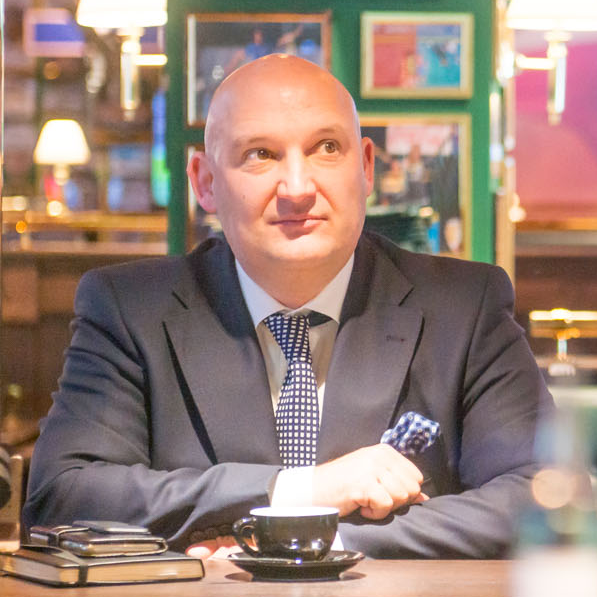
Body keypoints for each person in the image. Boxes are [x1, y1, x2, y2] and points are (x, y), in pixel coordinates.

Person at [23, 54, 554, 559]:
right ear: (204, 181)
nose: (297, 189)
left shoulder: (465, 307)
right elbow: (61, 497)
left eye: (327, 148)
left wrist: (317, 538)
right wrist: (298, 490)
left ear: (366, 167)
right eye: (261, 154)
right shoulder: (127, 309)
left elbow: (544, 496)